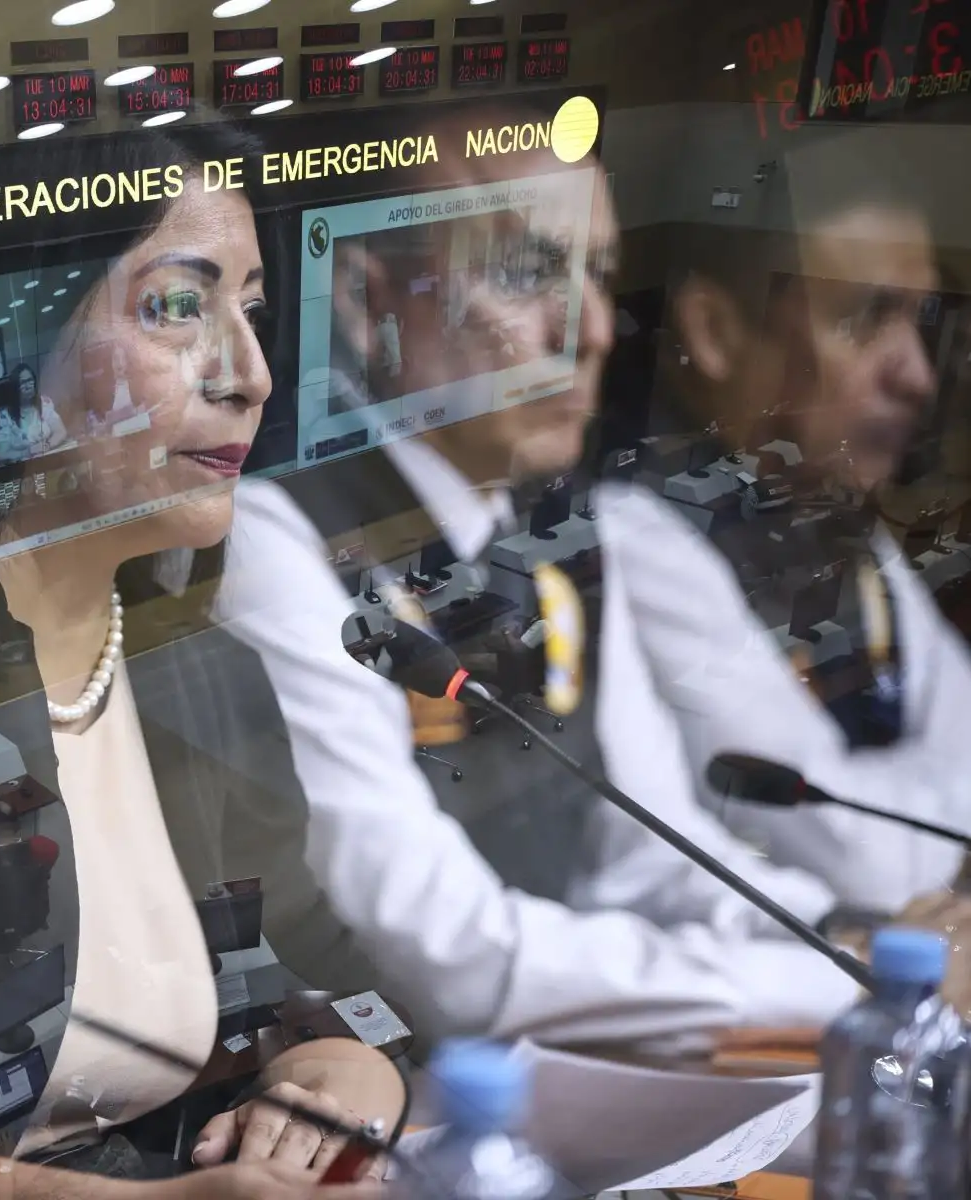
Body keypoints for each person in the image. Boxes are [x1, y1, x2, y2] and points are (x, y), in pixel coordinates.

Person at [0, 116, 396, 1200]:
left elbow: (293, 950)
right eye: (178, 307)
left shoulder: (191, 656)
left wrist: (345, 1077)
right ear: (3, 352)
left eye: (250, 311)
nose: (251, 376)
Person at [215, 130, 864, 1047]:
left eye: (599, 275)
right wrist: (834, 987)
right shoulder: (278, 531)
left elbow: (648, 850)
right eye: (526, 273)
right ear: (366, 300)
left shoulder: (553, 514)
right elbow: (450, 956)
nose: (592, 329)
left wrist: (835, 936)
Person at [573, 171, 971, 936]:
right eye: (865, 318)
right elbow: (862, 864)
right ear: (715, 332)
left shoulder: (830, 511)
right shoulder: (634, 530)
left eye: (919, 319)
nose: (917, 375)